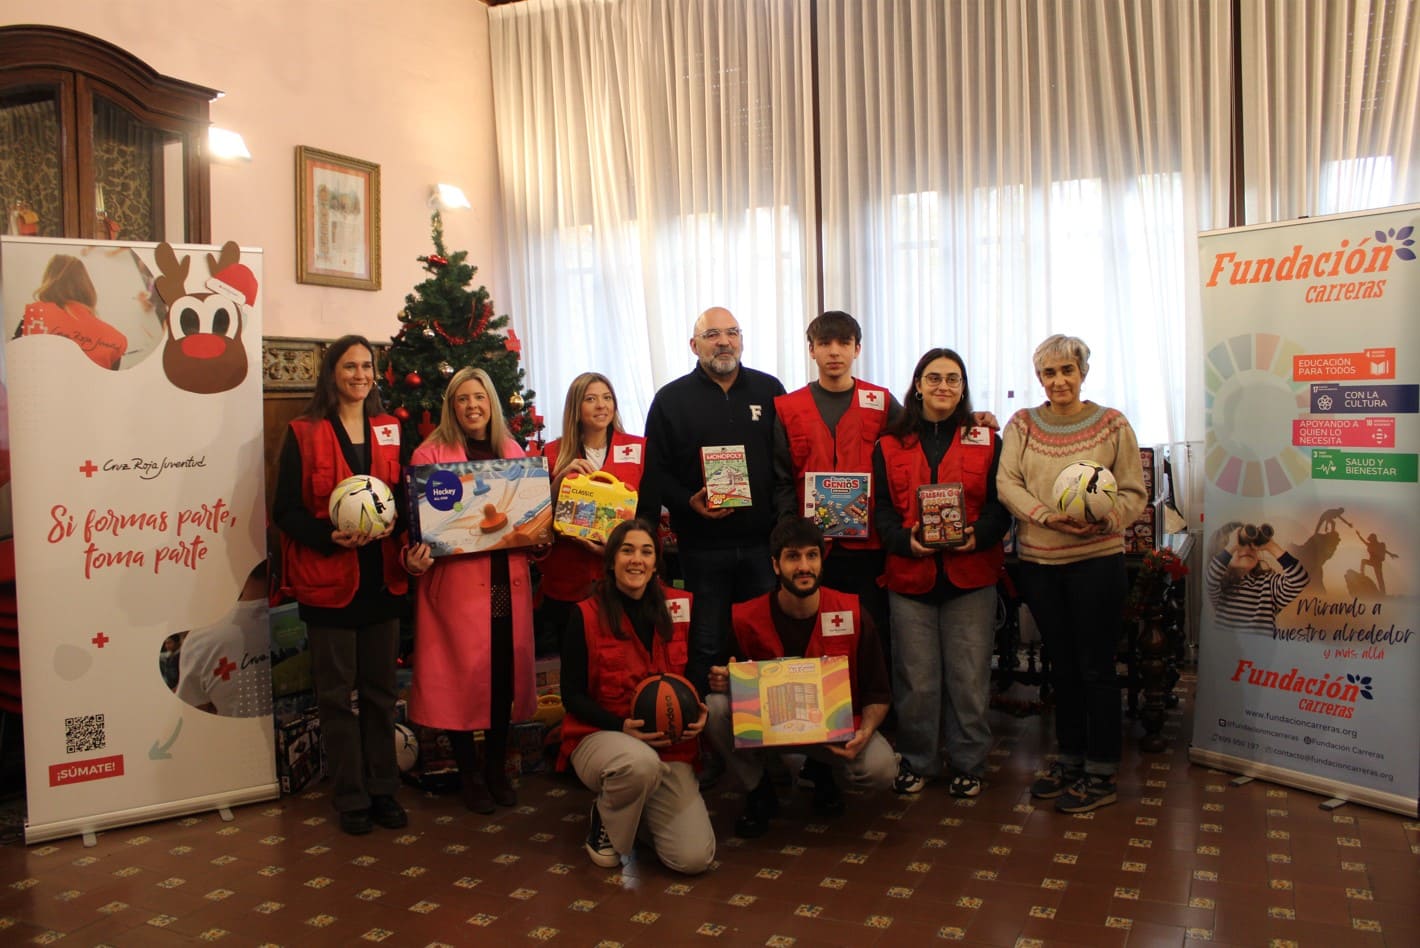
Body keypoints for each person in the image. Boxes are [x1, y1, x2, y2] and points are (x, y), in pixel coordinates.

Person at [996, 334, 1147, 814]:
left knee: (1096, 667)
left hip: (1097, 563)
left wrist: (1105, 518)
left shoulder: (1111, 424)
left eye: (1067, 370)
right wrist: (1045, 514)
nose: (1059, 380)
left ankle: (1101, 770)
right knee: (1062, 666)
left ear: (1083, 373)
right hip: (1041, 564)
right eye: (1049, 372)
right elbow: (1007, 483)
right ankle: (1070, 757)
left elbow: (1132, 491)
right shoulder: (1023, 424)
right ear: (1038, 377)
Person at [273, 335, 408, 835]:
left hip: (383, 581)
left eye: (367, 366)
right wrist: (328, 538)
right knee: (335, 697)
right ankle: (350, 797)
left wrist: (406, 532)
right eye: (349, 366)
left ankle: (384, 790)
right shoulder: (302, 432)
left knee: (379, 693)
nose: (360, 374)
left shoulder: (392, 428)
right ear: (331, 373)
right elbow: (283, 511)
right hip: (329, 584)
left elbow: (407, 497)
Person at [873, 348, 1010, 800]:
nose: (943, 387)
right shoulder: (889, 444)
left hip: (971, 575)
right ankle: (918, 761)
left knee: (969, 678)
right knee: (916, 679)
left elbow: (999, 507)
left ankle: (969, 763)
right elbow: (883, 513)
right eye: (934, 379)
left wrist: (978, 536)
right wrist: (902, 541)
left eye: (953, 379)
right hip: (909, 577)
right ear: (917, 385)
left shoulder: (988, 439)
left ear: (964, 387)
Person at [704, 518, 895, 837]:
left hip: (833, 733)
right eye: (793, 557)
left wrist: (866, 731)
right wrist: (725, 679)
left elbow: (878, 692)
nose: (804, 566)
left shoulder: (852, 613)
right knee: (716, 706)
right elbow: (729, 673)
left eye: (811, 556)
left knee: (882, 768)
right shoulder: (746, 616)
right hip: (770, 728)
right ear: (775, 565)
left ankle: (823, 772)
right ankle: (760, 789)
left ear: (822, 561)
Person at [404, 367, 537, 814]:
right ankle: (470, 775)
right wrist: (416, 555)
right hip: (459, 589)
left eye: (479, 397)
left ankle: (496, 769)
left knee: (502, 676)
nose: (472, 406)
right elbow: (418, 526)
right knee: (461, 678)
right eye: (462, 399)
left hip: (506, 581)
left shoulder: (514, 451)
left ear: (491, 402)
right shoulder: (429, 455)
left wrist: (539, 538)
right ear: (451, 406)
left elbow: (528, 520)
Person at [636, 306, 785, 695]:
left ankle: (770, 740)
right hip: (701, 548)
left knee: (764, 644)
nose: (723, 341)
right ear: (693, 344)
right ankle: (706, 737)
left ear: (741, 339)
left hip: (761, 544)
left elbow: (787, 462)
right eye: (712, 334)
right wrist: (688, 501)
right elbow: (654, 473)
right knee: (705, 644)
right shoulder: (670, 400)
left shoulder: (770, 391)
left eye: (732, 332)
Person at [557, 518, 715, 874]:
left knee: (692, 860)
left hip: (671, 747)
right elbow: (572, 695)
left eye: (646, 551)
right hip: (601, 737)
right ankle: (606, 818)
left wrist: (698, 709)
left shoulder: (683, 606)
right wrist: (620, 726)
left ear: (656, 562)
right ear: (611, 560)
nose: (636, 560)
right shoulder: (584, 614)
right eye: (627, 550)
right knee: (638, 764)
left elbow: (697, 674)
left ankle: (637, 811)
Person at [772, 311, 898, 647]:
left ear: (857, 349)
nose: (834, 352)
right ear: (811, 350)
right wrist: (791, 531)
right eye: (824, 343)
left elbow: (916, 441)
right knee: (815, 636)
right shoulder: (787, 407)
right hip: (811, 549)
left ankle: (872, 700)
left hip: (869, 545)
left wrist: (969, 416)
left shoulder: (881, 402)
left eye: (844, 343)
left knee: (870, 631)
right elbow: (781, 477)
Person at [537, 372, 645, 655]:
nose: (601, 405)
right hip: (567, 580)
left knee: (623, 658)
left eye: (607, 398)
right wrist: (558, 482)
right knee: (576, 662)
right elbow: (533, 521)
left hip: (624, 577)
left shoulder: (638, 448)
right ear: (576, 408)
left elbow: (648, 511)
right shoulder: (551, 453)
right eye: (591, 399)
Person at [17, 253, 127, 369]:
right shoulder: (115, 340)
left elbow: (13, 360)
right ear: (86, 285)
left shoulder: (37, 314)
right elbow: (109, 384)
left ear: (50, 280)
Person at [1205, 524, 1309, 632]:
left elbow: (1299, 580)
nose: (1247, 549)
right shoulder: (1221, 586)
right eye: (1240, 544)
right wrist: (1231, 546)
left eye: (1251, 545)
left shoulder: (1267, 584)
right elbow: (1210, 579)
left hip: (1261, 648)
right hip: (1230, 647)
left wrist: (1271, 546)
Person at [1355, 529, 1399, 596]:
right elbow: (1363, 541)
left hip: (1377, 563)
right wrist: (1358, 535)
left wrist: (1391, 554)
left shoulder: (1378, 545)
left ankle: (1383, 593)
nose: (1369, 539)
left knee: (1379, 578)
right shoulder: (1372, 544)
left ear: (1373, 538)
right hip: (1374, 562)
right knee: (1379, 578)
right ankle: (1362, 573)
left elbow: (1384, 550)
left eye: (1370, 538)